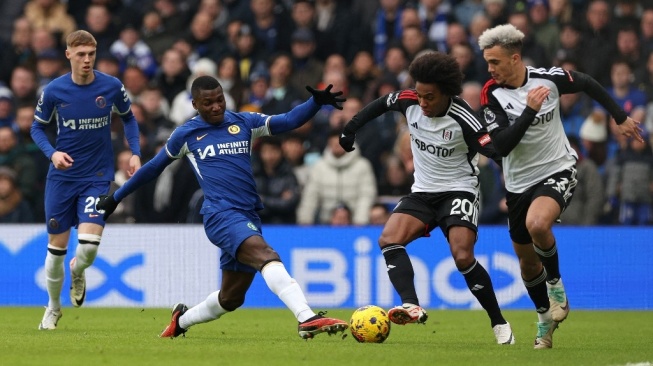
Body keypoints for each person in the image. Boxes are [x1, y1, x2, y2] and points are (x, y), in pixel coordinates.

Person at [96, 76, 349, 340]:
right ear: (195, 104)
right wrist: (116, 197)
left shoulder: (243, 122)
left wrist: (314, 103)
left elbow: (287, 121)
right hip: (220, 215)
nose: (216, 107)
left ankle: (180, 321)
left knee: (231, 298)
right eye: (208, 103)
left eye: (220, 100)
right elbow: (152, 168)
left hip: (248, 214)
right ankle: (306, 317)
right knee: (266, 254)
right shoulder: (186, 134)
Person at [477, 23, 643, 349]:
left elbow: (587, 83)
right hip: (518, 184)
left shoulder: (548, 79)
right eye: (487, 62)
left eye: (495, 62)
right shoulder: (491, 94)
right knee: (526, 263)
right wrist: (529, 111)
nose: (490, 69)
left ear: (515, 58)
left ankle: (556, 286)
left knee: (538, 223)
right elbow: (504, 144)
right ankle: (544, 322)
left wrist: (617, 117)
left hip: (558, 169)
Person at [339, 51, 515, 345]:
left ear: (447, 93)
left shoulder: (465, 120)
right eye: (419, 95)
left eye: (429, 97)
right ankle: (411, 304)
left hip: (459, 190)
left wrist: (516, 190)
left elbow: (495, 153)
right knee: (388, 239)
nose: (422, 102)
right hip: (423, 192)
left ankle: (499, 322)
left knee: (462, 256)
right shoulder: (410, 100)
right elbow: (380, 105)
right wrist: (350, 129)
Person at [30, 30, 142, 330]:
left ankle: (78, 271)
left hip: (97, 176)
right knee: (55, 251)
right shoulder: (54, 91)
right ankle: (53, 308)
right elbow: (37, 128)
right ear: (68, 54)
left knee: (89, 246)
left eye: (91, 54)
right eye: (80, 54)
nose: (87, 60)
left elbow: (129, 118)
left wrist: (134, 152)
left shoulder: (111, 86)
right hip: (63, 178)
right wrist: (52, 154)